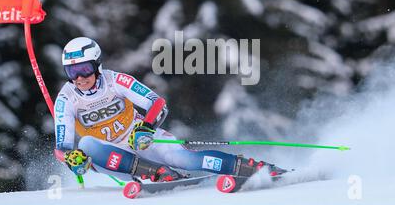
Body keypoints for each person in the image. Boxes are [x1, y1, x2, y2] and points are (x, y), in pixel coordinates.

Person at [54, 37, 285, 182]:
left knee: (184, 159)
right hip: (112, 157)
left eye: (84, 69)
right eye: (72, 72)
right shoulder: (66, 99)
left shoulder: (116, 81)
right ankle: (156, 173)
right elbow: (61, 148)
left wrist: (145, 128)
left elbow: (156, 103)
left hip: (139, 140)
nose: (79, 78)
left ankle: (251, 167)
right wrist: (72, 159)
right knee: (86, 145)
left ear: (97, 65)